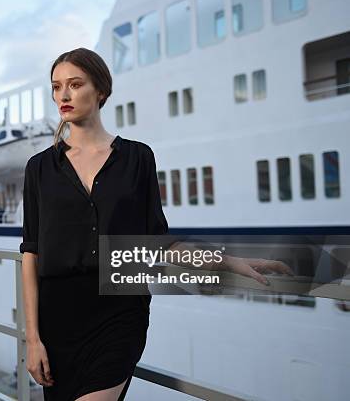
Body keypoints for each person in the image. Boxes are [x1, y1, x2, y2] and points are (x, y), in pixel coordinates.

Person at [19, 48, 292, 401]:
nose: (64, 95)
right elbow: (32, 252)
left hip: (119, 312)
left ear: (100, 90)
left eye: (75, 84)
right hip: (58, 322)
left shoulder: (138, 158)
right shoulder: (39, 167)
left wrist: (228, 261)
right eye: (56, 87)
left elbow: (158, 243)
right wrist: (34, 338)